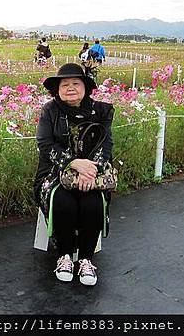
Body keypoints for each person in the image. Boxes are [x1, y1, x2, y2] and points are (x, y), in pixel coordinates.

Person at [34, 63, 114, 285]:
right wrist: (73, 163)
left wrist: (89, 172)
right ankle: (65, 256)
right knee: (64, 201)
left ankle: (86, 260)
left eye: (76, 83)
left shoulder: (101, 111)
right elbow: (45, 144)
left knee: (93, 203)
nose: (70, 88)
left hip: (92, 174)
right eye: (65, 84)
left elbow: (105, 146)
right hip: (54, 173)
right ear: (57, 89)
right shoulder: (50, 110)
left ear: (85, 88)